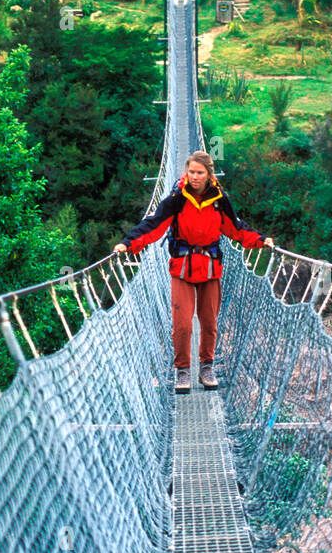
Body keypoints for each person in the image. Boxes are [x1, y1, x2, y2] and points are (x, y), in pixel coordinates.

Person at [114, 151, 274, 394]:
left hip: (210, 268)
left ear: (209, 175)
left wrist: (260, 240)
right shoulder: (177, 199)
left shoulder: (220, 200)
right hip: (183, 267)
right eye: (191, 172)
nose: (195, 177)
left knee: (209, 323)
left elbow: (236, 228)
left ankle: (206, 366)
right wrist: (128, 243)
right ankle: (182, 370)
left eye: (200, 173)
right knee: (182, 324)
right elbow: (154, 224)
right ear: (186, 173)